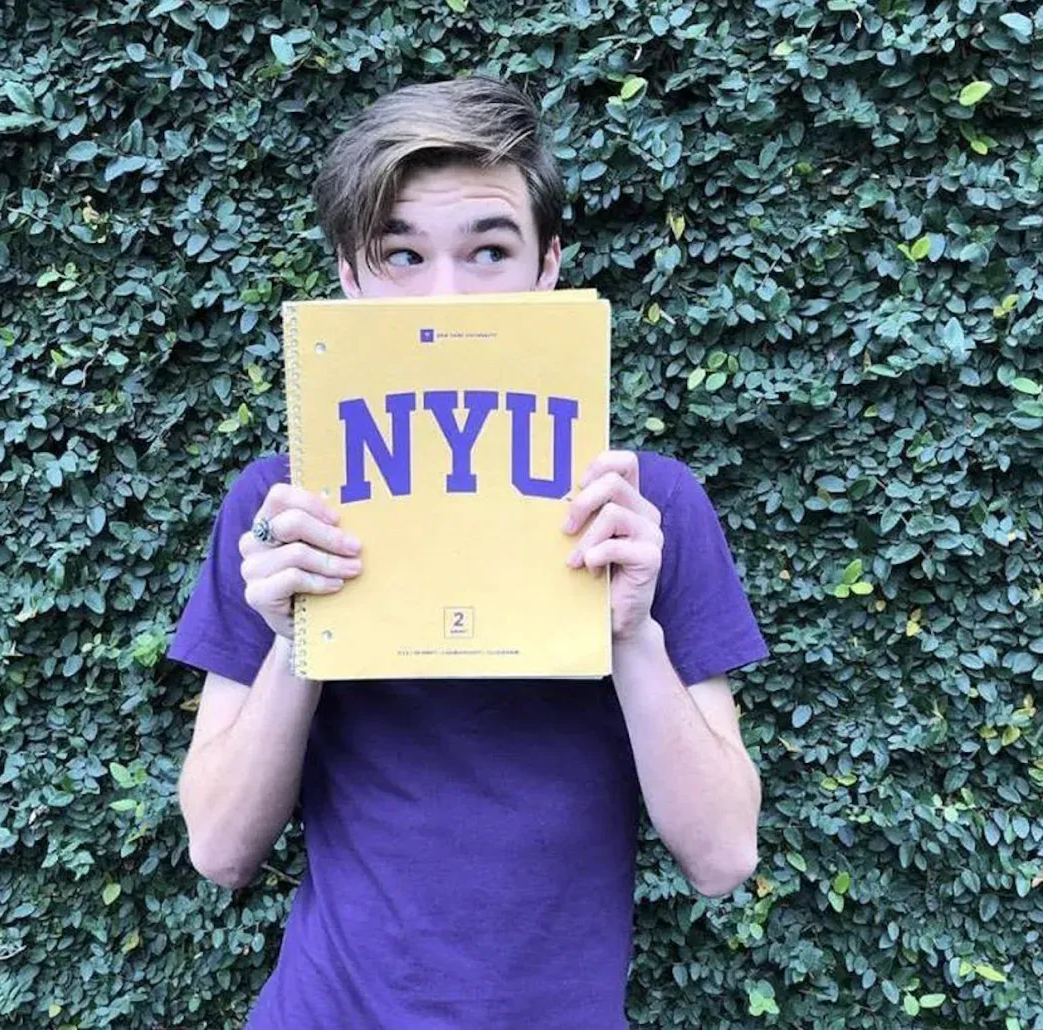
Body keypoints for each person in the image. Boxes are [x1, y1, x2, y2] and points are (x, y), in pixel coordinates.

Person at [168, 76, 769, 1030]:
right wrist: (297, 638)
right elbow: (221, 851)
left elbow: (724, 856)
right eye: (401, 255)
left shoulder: (649, 508)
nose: (442, 297)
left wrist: (630, 631)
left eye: (488, 250)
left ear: (548, 269)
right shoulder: (281, 505)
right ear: (349, 278)